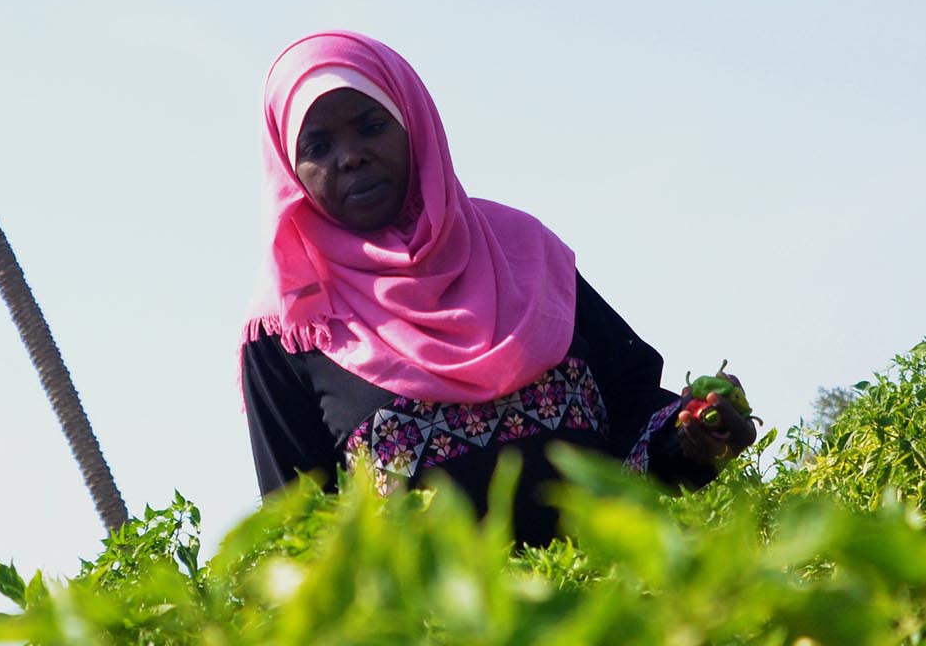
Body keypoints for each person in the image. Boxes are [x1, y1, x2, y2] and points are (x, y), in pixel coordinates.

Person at [239, 30, 756, 544]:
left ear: (414, 127)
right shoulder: (291, 328)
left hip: (608, 607)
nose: (350, 157)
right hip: (436, 628)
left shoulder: (523, 253)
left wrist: (691, 436)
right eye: (318, 145)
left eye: (371, 127)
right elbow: (301, 529)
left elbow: (630, 407)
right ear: (290, 169)